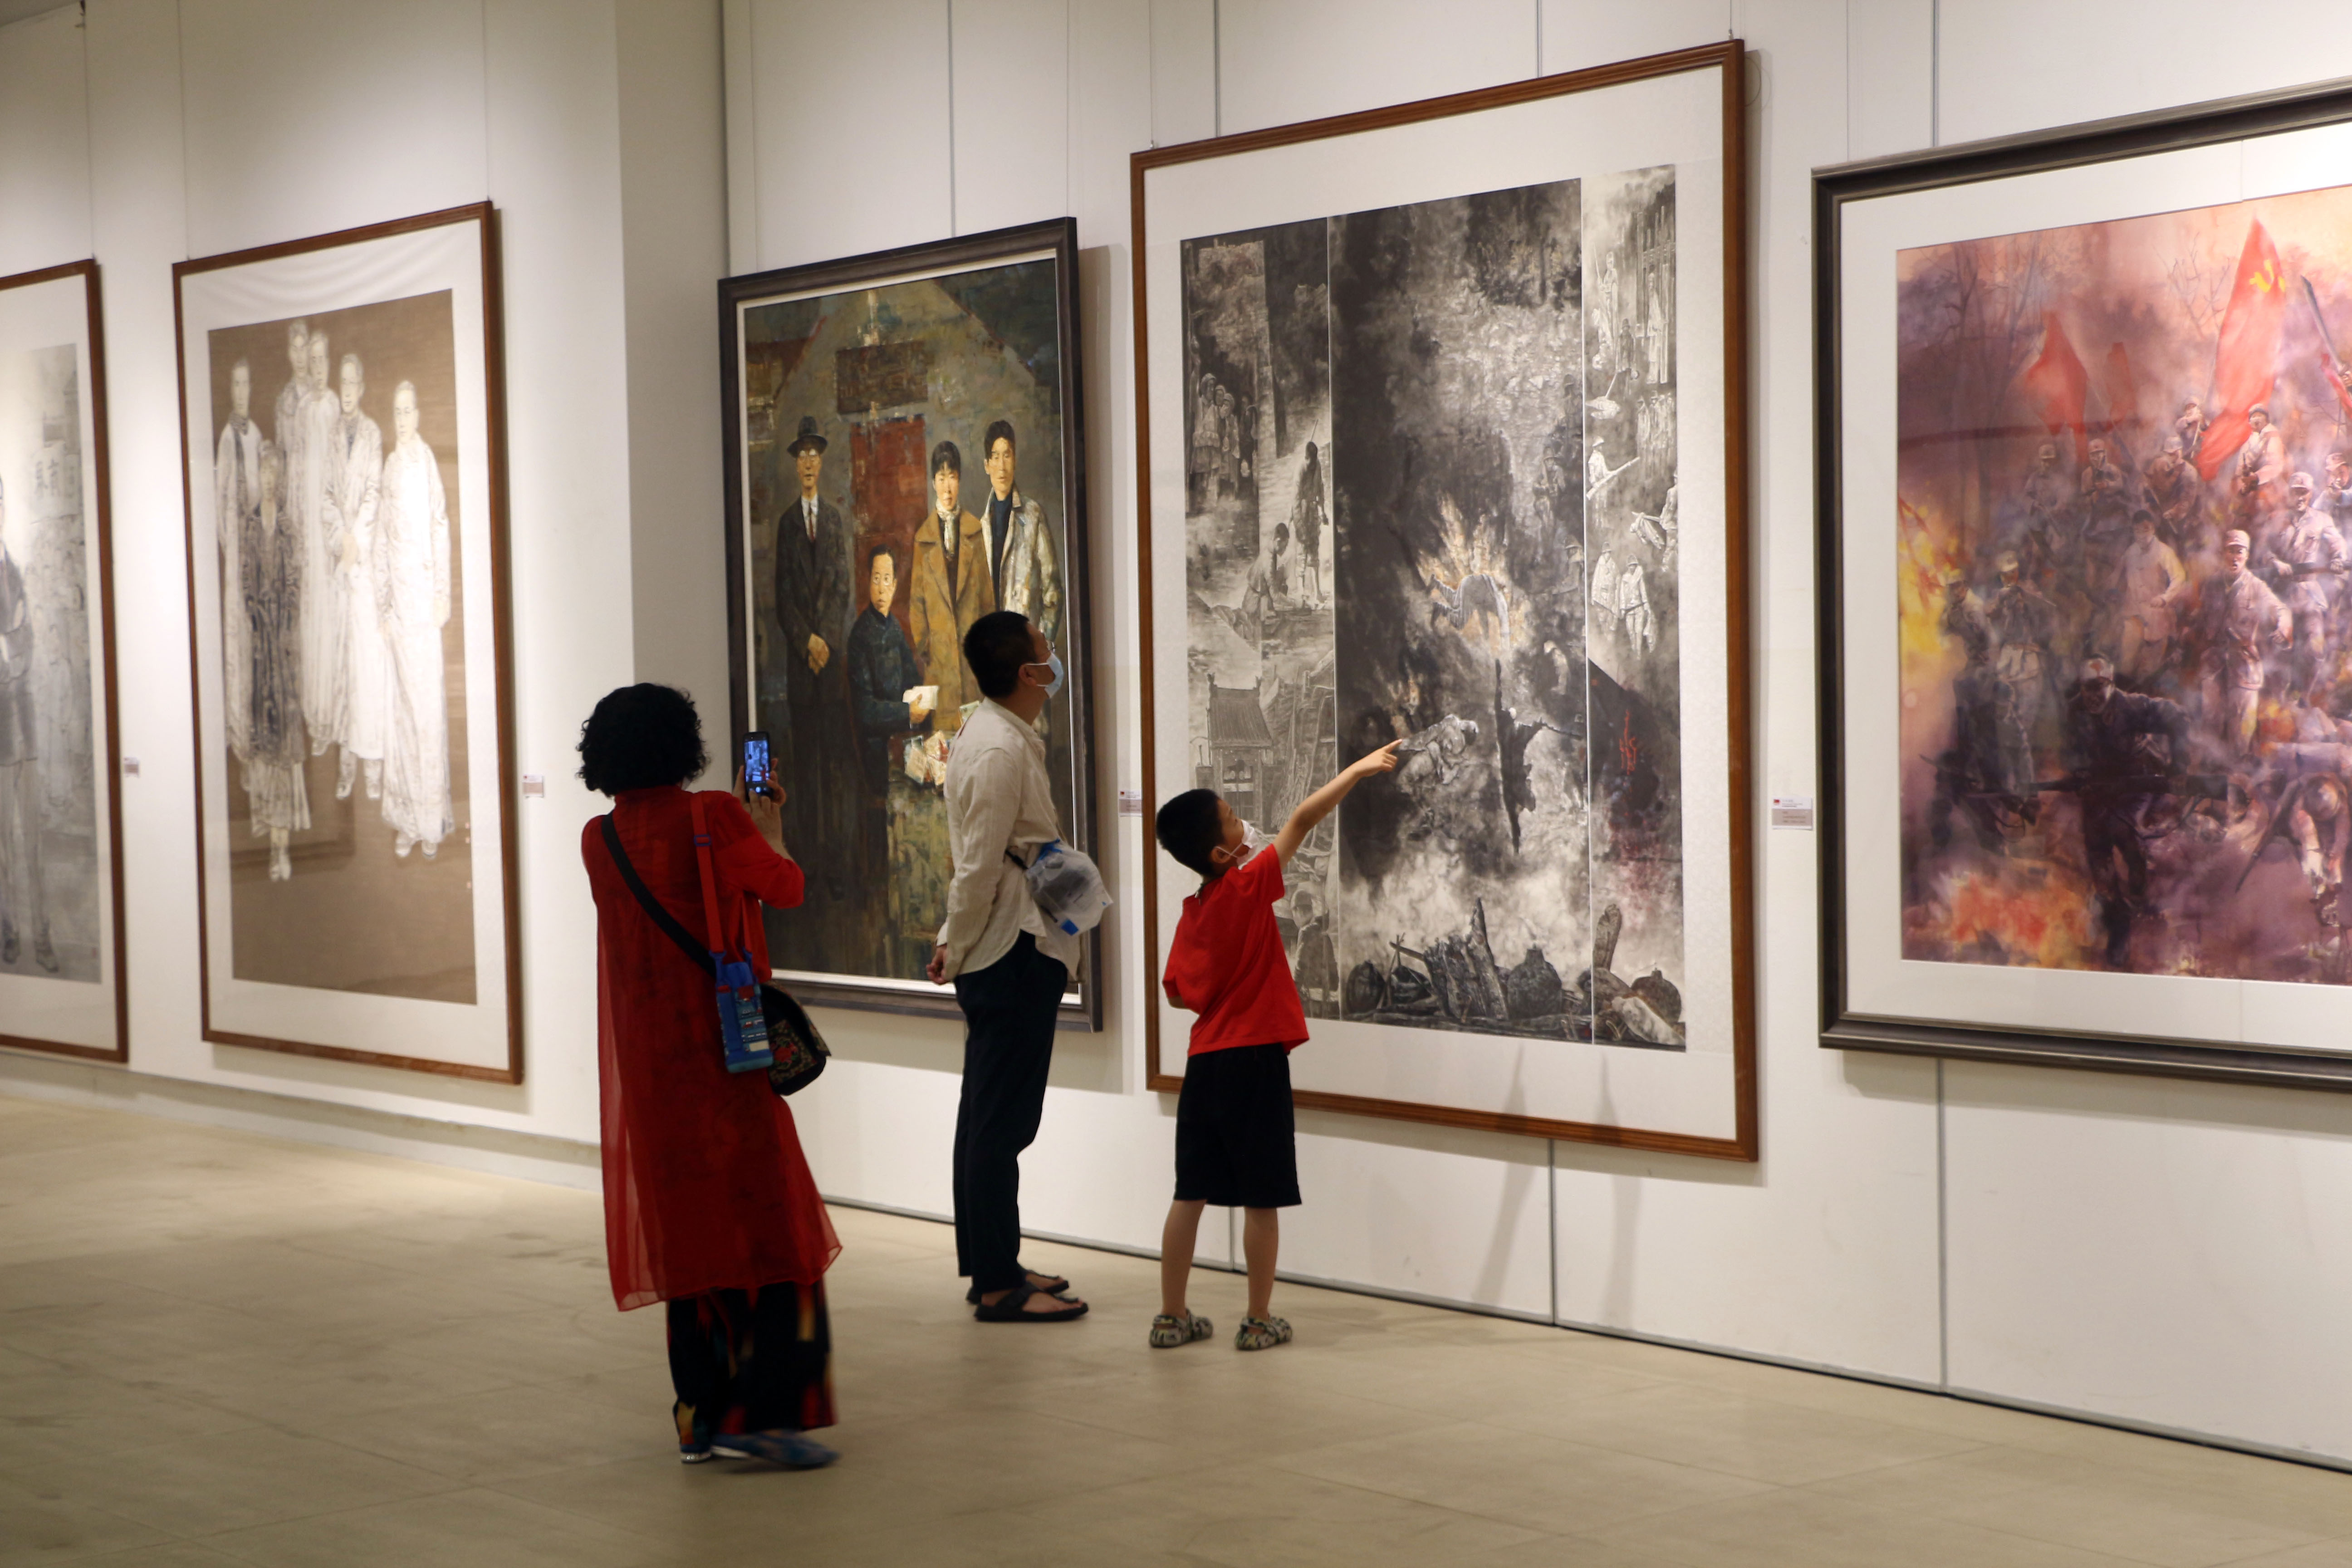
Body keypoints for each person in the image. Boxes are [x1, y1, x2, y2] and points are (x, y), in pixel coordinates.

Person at [577, 682, 840, 1470]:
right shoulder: (715, 816)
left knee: (688, 1233)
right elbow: (785, 887)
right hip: (725, 1061)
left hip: (650, 1068)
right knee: (768, 1225)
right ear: (682, 745)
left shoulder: (598, 837)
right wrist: (769, 827)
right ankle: (762, 1413)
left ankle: (698, 1413)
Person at [1150, 738, 1401, 1352]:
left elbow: (1178, 994)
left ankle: (1172, 1316)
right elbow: (1302, 820)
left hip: (1205, 1064)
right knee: (1262, 1196)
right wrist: (1357, 770)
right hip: (1255, 1059)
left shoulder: (1194, 910)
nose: (1244, 823)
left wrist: (1222, 989)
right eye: (1233, 818)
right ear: (1220, 852)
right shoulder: (1245, 886)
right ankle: (1259, 1318)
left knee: (1189, 1193)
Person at [926, 609, 1086, 1321]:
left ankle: (997, 1263)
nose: (1054, 659)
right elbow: (978, 867)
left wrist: (954, 940)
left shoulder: (1001, 735)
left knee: (992, 1119)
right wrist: (956, 944)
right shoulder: (996, 748)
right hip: (1010, 951)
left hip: (1011, 945)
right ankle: (996, 1284)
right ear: (1028, 672)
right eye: (1046, 650)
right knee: (998, 1125)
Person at [845, 544, 933, 970]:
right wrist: (904, 714)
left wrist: (922, 701)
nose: (882, 588)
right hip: (876, 749)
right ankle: (900, 901)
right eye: (876, 579)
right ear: (868, 582)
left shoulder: (895, 627)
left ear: (896, 585)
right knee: (913, 789)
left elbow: (912, 679)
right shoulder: (860, 636)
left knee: (936, 778)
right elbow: (864, 713)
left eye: (888, 580)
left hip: (902, 738)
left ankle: (924, 893)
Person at [375, 382, 453, 858]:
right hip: (399, 609)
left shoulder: (426, 463)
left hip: (423, 604)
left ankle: (430, 822)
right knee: (401, 712)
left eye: (408, 411)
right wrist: (384, 606)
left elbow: (440, 527)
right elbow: (382, 539)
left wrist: (442, 593)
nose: (403, 420)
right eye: (397, 412)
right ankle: (407, 819)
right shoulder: (390, 466)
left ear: (419, 415)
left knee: (428, 712)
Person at [240, 444, 308, 882]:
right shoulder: (250, 526)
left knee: (284, 739)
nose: (268, 479)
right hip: (259, 648)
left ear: (280, 480)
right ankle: (269, 842)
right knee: (262, 736)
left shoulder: (286, 526)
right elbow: (246, 578)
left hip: (281, 647)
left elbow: (295, 581)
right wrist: (256, 614)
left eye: (274, 473)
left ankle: (284, 847)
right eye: (263, 472)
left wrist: (284, 619)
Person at [322, 351, 386, 802]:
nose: (346, 392)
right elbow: (326, 495)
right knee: (342, 674)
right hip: (339, 567)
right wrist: (338, 539)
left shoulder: (373, 434)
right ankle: (346, 766)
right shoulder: (330, 437)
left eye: (352, 384)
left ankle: (374, 767)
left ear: (361, 389)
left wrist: (356, 541)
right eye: (341, 384)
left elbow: (373, 494)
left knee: (368, 670)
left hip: (363, 568)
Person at [0, 479, 55, 972]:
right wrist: (9, 638)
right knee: (2, 844)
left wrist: (13, 643)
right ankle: (10, 931)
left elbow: (29, 646)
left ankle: (42, 936)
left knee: (34, 843)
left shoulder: (14, 570)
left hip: (27, 733)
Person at [908, 441, 994, 733]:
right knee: (944, 751)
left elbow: (987, 602)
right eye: (942, 478)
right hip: (940, 671)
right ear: (934, 482)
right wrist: (931, 649)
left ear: (960, 481)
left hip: (972, 669)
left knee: (976, 745)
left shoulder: (975, 532)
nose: (947, 487)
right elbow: (916, 605)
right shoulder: (923, 540)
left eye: (953, 477)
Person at [2196, 529, 2290, 760]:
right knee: (2211, 721)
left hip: (2244, 664)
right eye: (2231, 551)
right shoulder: (2211, 585)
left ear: (2247, 556)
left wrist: (2283, 627)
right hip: (2214, 662)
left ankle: (2238, 769)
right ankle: (2211, 770)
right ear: (2223, 553)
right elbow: (2201, 618)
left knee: (2241, 728)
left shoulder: (2256, 586)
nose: (2235, 558)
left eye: (2240, 552)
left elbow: (2281, 609)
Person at [2262, 473, 2348, 702]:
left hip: (2308, 592)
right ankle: (2279, 700)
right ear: (2289, 493)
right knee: (2278, 648)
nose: (2300, 497)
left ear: (2311, 494)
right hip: (2281, 593)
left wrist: (2339, 559)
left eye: (2304, 492)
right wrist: (2275, 562)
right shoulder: (2276, 519)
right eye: (2296, 492)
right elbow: (2263, 550)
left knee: (2315, 649)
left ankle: (2305, 698)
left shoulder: (2322, 520)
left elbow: (2338, 544)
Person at [216, 358, 264, 763]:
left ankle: (254, 725)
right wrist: (232, 547)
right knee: (236, 638)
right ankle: (236, 729)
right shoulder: (226, 439)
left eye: (246, 384)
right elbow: (220, 500)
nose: (242, 391)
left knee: (255, 635)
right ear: (230, 390)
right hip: (236, 552)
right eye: (236, 384)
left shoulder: (257, 436)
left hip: (255, 550)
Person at [297, 330, 343, 756]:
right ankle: (315, 719)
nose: (317, 368)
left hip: (330, 537)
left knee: (332, 627)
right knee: (311, 629)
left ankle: (332, 719)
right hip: (308, 540)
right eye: (312, 361)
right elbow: (297, 473)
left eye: (322, 360)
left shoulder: (333, 407)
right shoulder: (302, 410)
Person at [980, 420, 1061, 646]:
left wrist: (1041, 644)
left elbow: (1053, 591)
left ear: (1015, 460)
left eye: (1007, 456)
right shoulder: (981, 528)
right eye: (996, 457)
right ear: (987, 465)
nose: (1002, 466)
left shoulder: (1034, 516)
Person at [2111, 508, 2185, 688]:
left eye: (2145, 530)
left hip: (2156, 618)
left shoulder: (2164, 552)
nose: (2141, 535)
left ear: (2152, 529)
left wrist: (2165, 598)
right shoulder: (2130, 552)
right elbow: (2115, 577)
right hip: (2133, 616)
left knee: (2149, 672)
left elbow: (2180, 577)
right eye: (2137, 530)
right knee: (2126, 666)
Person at [1289, 441, 1327, 606]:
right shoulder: (1300, 469)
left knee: (1314, 550)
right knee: (1301, 552)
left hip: (1313, 512)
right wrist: (1299, 525)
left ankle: (1317, 592)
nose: (1312, 464)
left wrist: (1322, 511)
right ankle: (1301, 593)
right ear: (1307, 458)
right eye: (1310, 461)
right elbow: (1296, 500)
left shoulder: (1317, 465)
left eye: (1314, 460)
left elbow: (1320, 489)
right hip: (1302, 511)